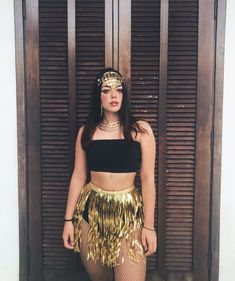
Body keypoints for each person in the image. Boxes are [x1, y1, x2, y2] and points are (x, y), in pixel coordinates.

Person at [62, 68, 157, 281]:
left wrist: (149, 227)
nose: (114, 95)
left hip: (128, 216)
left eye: (119, 90)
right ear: (98, 96)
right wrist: (68, 220)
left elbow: (148, 179)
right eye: (106, 90)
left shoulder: (140, 131)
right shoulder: (86, 131)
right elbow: (78, 176)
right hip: (91, 215)